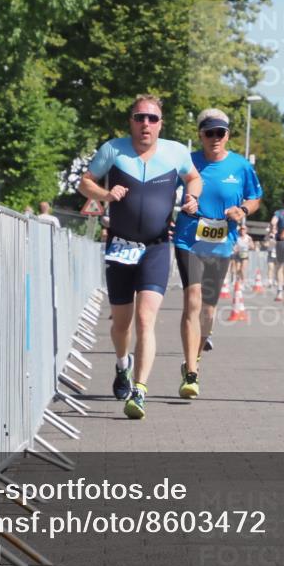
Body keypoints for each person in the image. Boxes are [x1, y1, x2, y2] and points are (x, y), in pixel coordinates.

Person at [78, 94, 202, 419]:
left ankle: (139, 390)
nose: (146, 124)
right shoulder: (112, 150)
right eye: (139, 118)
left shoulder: (176, 152)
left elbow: (194, 178)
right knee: (122, 324)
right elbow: (84, 183)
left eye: (152, 119)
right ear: (131, 121)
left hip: (157, 246)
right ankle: (123, 365)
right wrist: (105, 195)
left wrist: (192, 198)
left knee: (147, 318)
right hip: (120, 245)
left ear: (161, 124)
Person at [173, 108, 262, 399]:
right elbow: (167, 192)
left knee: (209, 311)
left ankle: (196, 354)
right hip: (189, 239)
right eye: (209, 132)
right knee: (193, 300)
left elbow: (255, 198)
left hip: (222, 242)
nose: (214, 138)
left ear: (228, 135)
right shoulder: (188, 163)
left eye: (220, 133)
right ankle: (191, 373)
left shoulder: (240, 166)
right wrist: (180, 205)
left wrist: (243, 210)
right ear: (200, 134)